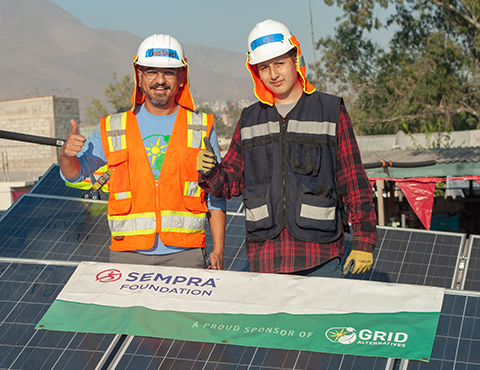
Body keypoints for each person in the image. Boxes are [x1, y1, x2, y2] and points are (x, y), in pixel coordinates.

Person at [196, 20, 377, 277]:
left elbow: (353, 181)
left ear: (295, 60)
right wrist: (211, 171)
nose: (273, 74)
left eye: (279, 63)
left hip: (320, 257)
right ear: (255, 71)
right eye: (264, 67)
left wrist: (364, 241)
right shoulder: (250, 119)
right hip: (265, 259)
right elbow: (231, 184)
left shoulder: (329, 111)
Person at [60, 34, 226, 269]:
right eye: (151, 72)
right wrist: (66, 156)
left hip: (185, 253)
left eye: (168, 72)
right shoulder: (112, 127)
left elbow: (216, 193)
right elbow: (74, 174)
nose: (160, 80)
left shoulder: (200, 126)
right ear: (139, 76)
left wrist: (218, 249)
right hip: (128, 254)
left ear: (181, 78)